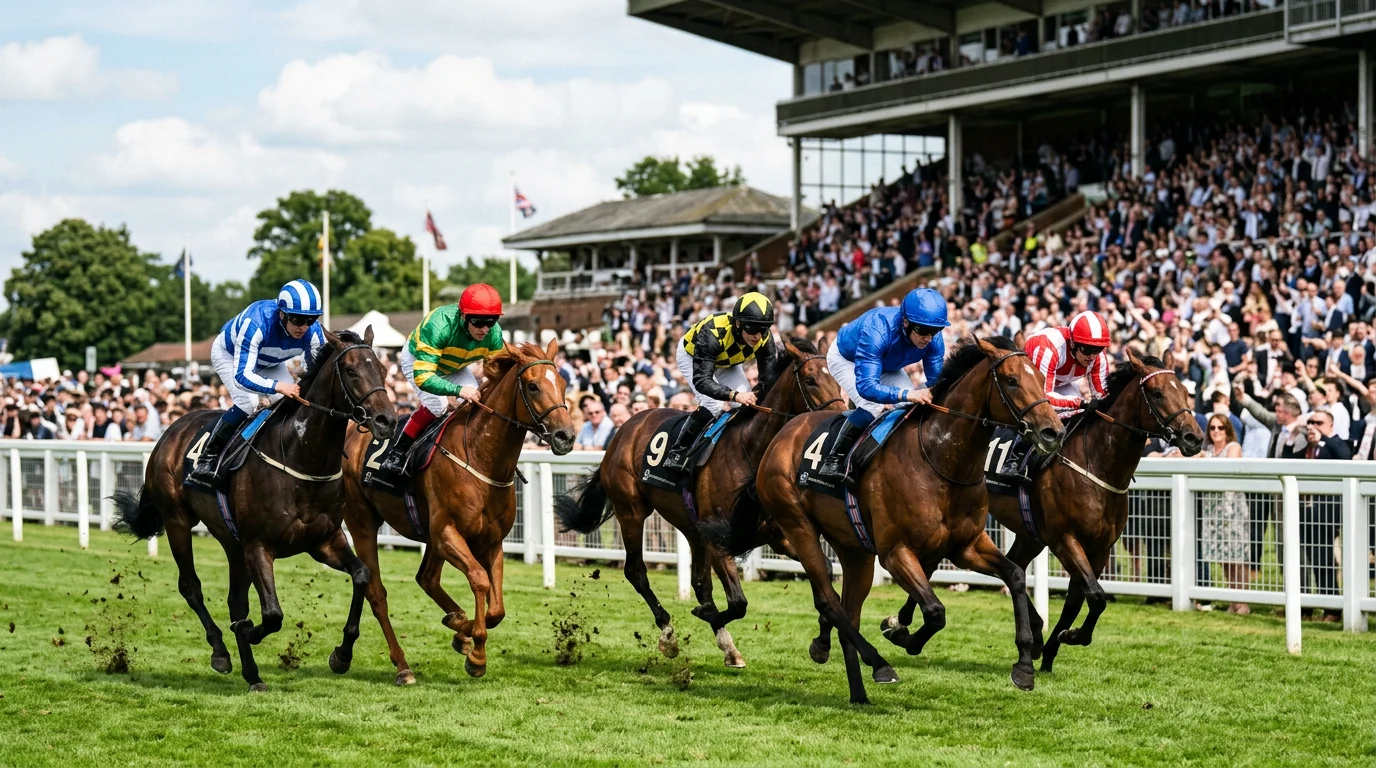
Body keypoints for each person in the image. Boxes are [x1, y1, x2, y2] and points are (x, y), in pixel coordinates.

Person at [188, 279, 326, 486]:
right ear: (282, 314)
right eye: (297, 319)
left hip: (272, 362)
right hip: (230, 356)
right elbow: (242, 376)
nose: (303, 327)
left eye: (311, 319)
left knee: (291, 404)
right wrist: (278, 386)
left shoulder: (314, 332)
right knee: (248, 404)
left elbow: (315, 373)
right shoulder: (256, 323)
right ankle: (208, 458)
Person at [370, 284, 506, 486]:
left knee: (477, 403)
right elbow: (424, 377)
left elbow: (498, 373)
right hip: (419, 361)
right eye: (478, 322)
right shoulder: (439, 326)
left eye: (491, 321)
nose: (485, 329)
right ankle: (398, 451)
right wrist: (458, 390)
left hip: (456, 365)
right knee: (438, 406)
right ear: (463, 316)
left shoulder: (493, 334)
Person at [814, 287, 948, 485]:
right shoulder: (877, 329)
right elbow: (867, 387)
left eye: (935, 331)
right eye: (923, 330)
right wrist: (907, 394)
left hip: (886, 364)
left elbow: (937, 383)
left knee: (906, 408)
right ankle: (833, 460)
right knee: (873, 406)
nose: (929, 337)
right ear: (906, 322)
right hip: (847, 359)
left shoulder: (934, 339)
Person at [662, 292, 778, 472]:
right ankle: (679, 449)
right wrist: (733, 394)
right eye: (752, 329)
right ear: (738, 323)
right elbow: (702, 381)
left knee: (747, 405)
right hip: (693, 356)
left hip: (727, 362)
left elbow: (768, 379)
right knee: (714, 404)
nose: (757, 336)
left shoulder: (764, 338)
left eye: (763, 329)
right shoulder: (713, 332)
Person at [1193, 413, 1250, 614]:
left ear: (1227, 430)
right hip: (1212, 510)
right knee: (1222, 557)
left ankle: (1242, 602)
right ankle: (1232, 599)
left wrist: (1202, 460)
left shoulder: (1233, 447)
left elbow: (1227, 471)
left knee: (1237, 557)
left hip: (1232, 507)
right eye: (1212, 428)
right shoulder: (1206, 450)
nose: (1216, 431)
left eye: (1220, 427)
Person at [1025, 310, 1112, 415]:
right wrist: (1081, 402)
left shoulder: (1099, 356)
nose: (1092, 356)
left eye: (1098, 349)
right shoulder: (1048, 349)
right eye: (1087, 349)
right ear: (1072, 343)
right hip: (1029, 385)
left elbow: (1102, 397)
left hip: (1062, 384)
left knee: (1081, 414)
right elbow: (1042, 397)